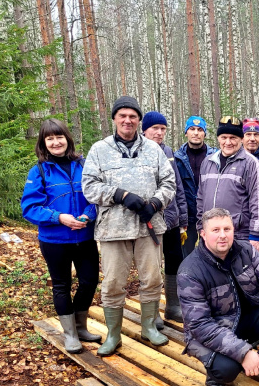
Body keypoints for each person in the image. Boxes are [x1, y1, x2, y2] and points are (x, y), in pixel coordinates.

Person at [82, 96, 176, 356]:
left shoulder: (154, 150)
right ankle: (113, 335)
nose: (127, 120)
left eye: (133, 116)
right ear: (114, 119)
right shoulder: (99, 150)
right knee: (113, 282)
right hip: (113, 229)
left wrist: (156, 203)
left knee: (152, 279)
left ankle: (148, 327)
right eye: (122, 115)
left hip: (149, 227)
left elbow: (169, 183)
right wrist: (121, 195)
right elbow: (89, 186)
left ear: (139, 120)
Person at [178, 207, 259, 386]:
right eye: (216, 230)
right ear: (203, 234)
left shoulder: (245, 250)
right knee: (227, 370)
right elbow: (200, 325)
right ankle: (214, 371)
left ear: (233, 230)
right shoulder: (190, 271)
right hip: (211, 331)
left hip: (247, 317)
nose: (222, 235)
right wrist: (243, 352)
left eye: (227, 229)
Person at [21, 119, 100, 354]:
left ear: (67, 138)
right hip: (55, 241)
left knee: (89, 281)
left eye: (59, 137)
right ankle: (71, 335)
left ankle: (80, 326)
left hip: (85, 237)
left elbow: (96, 197)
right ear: (44, 143)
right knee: (62, 285)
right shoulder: (39, 172)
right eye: (50, 138)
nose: (56, 142)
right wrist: (59, 217)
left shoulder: (84, 165)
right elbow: (29, 208)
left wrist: (88, 214)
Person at [142, 111, 189, 324]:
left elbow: (177, 186)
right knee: (152, 266)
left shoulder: (168, 151)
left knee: (174, 262)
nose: (159, 133)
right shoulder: (139, 151)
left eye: (163, 129)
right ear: (145, 130)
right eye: (155, 129)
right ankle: (152, 313)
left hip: (171, 218)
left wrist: (183, 219)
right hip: (150, 219)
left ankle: (172, 306)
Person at [196, 116, 259, 252]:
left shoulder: (252, 164)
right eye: (224, 137)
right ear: (218, 139)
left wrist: (256, 234)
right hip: (211, 235)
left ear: (241, 139)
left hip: (240, 236)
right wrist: (201, 227)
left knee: (240, 273)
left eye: (233, 138)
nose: (228, 142)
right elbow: (201, 198)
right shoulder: (207, 163)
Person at [174, 116, 217, 255]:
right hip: (187, 218)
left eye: (200, 129)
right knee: (188, 257)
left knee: (213, 255)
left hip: (211, 215)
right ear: (186, 132)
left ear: (204, 133)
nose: (196, 133)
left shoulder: (216, 156)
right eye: (192, 129)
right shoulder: (177, 158)